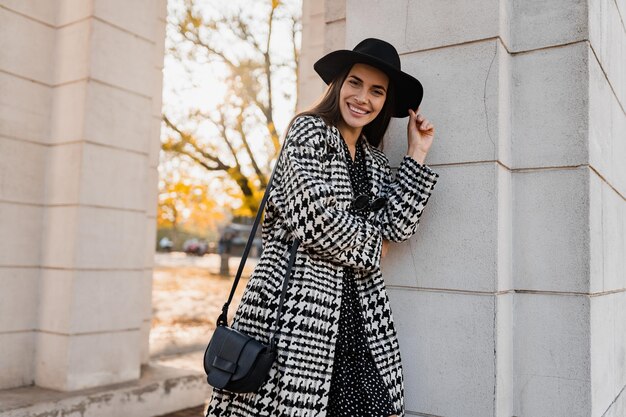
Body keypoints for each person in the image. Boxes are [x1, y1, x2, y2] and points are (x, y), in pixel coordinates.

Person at [206, 38, 439, 417]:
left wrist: (417, 154)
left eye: (377, 91)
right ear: (338, 86)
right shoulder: (308, 132)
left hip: (359, 314)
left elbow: (397, 227)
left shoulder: (375, 162)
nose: (363, 97)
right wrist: (370, 245)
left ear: (385, 102)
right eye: (355, 83)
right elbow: (314, 220)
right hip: (294, 312)